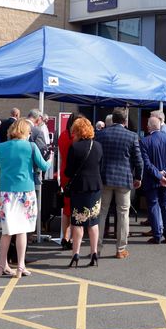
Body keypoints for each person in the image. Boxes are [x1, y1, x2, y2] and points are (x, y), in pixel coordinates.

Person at [0, 119, 50, 278]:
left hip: (6, 191)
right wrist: (50, 158)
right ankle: (20, 266)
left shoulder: (1, 147)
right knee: (22, 231)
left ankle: (1, 266)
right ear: (26, 132)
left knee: (6, 231)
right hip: (25, 191)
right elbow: (44, 166)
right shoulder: (31, 146)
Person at [95, 108, 142, 259]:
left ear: (113, 119)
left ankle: (97, 248)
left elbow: (97, 157)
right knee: (123, 214)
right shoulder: (132, 136)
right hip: (124, 179)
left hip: (105, 178)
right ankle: (120, 249)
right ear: (125, 120)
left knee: (101, 212)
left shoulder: (101, 135)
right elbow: (138, 160)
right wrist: (138, 177)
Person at [65, 118, 104, 267]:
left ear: (77, 131)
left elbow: (69, 171)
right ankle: (94, 252)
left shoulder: (75, 148)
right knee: (93, 222)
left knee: (78, 222)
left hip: (79, 188)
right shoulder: (99, 146)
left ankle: (76, 253)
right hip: (94, 187)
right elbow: (101, 168)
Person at [140, 116, 166, 244]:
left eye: (147, 125)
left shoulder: (145, 141)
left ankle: (157, 235)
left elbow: (146, 164)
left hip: (152, 179)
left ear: (150, 127)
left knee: (153, 205)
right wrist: (164, 173)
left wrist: (158, 174)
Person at [58, 113, 84, 250]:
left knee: (66, 209)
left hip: (64, 173)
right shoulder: (77, 138)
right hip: (75, 174)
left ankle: (65, 237)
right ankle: (74, 238)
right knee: (75, 208)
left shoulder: (62, 135)